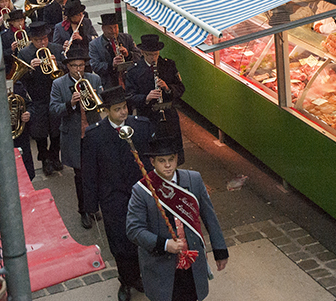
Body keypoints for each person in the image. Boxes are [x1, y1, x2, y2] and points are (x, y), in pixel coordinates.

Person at [126, 137, 229, 301]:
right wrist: (165, 244)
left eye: (171, 160)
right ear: (152, 162)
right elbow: (134, 230)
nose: (167, 165)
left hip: (192, 259)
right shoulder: (142, 190)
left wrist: (220, 250)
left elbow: (209, 215)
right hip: (161, 264)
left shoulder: (193, 179)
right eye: (162, 161)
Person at [82, 86, 153, 301]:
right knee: (119, 243)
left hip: (139, 194)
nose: (123, 113)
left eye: (125, 108)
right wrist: (91, 204)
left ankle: (138, 276)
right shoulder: (95, 135)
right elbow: (89, 173)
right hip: (112, 198)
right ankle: (126, 279)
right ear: (107, 111)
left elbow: (150, 161)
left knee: (140, 238)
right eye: (118, 109)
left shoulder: (140, 127)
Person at [49, 47, 103, 228]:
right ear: (68, 66)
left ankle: (93, 206)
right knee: (80, 175)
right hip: (74, 136)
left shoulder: (94, 79)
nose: (78, 69)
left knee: (96, 173)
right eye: (74, 66)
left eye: (81, 65)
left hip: (93, 133)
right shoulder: (59, 84)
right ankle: (84, 211)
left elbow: (102, 101)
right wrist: (70, 103)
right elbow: (54, 109)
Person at [125, 34, 186, 164]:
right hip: (147, 118)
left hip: (168, 116)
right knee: (150, 154)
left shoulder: (168, 65)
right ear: (143, 53)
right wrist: (146, 98)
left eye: (156, 54)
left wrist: (168, 88)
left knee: (172, 151)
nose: (154, 58)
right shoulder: (134, 71)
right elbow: (130, 96)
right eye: (150, 55)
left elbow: (181, 88)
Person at [18, 21, 65, 176]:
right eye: (39, 40)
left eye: (45, 38)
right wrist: (30, 68)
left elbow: (65, 71)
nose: (43, 42)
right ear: (31, 39)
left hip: (55, 95)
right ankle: (44, 158)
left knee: (56, 130)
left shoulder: (56, 49)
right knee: (40, 132)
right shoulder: (24, 53)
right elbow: (20, 79)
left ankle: (55, 156)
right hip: (37, 97)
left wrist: (57, 64)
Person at [90, 13, 141, 89]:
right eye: (110, 28)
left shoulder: (127, 38)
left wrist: (128, 55)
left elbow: (139, 55)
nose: (114, 31)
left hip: (129, 80)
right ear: (103, 28)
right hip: (109, 83)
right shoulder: (94, 44)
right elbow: (95, 66)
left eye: (115, 27)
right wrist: (111, 65)